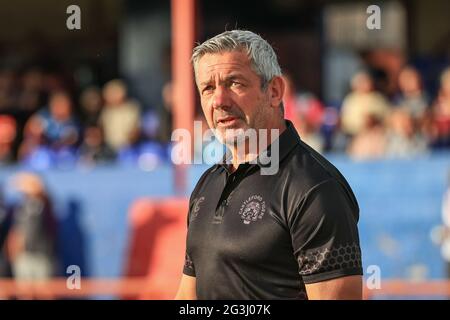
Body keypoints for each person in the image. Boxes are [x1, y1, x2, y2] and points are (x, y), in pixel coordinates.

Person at [175, 30, 363, 300]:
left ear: (274, 91)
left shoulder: (314, 188)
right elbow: (187, 296)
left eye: (235, 83)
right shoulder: (207, 184)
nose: (219, 101)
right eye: (208, 88)